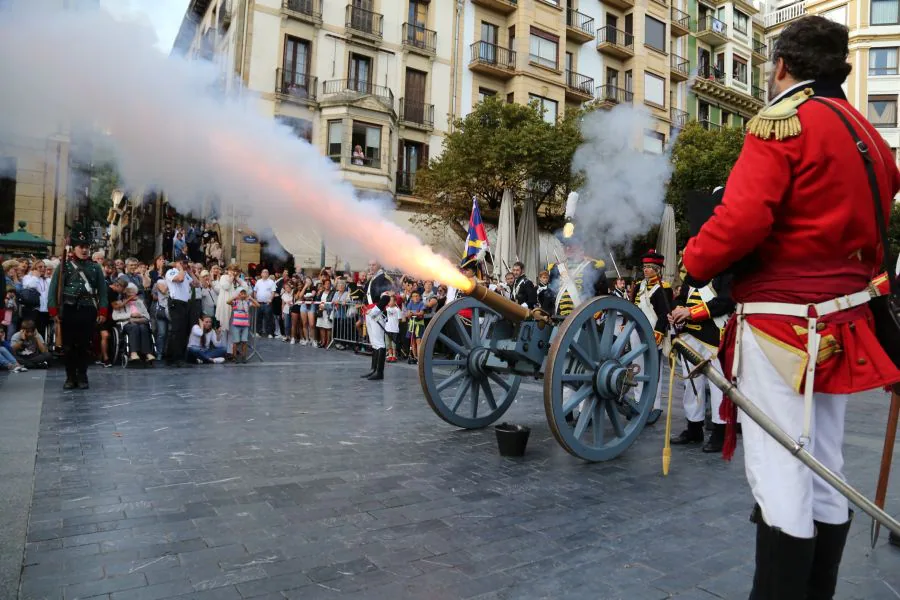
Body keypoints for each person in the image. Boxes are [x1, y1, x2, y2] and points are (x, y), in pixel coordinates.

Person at [681, 16, 900, 598]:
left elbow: (743, 219)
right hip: (844, 321)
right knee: (826, 469)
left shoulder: (782, 122)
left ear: (781, 66)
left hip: (782, 324)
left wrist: (695, 260)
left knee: (780, 473)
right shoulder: (869, 134)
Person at [668, 265, 735, 453]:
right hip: (690, 336)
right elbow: (680, 298)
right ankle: (694, 428)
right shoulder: (693, 273)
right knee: (692, 385)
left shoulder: (725, 271)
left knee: (718, 387)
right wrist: (677, 310)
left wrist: (691, 313)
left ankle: (720, 433)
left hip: (715, 337)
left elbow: (726, 302)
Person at [47, 225, 108, 388]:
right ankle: (70, 376)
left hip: (88, 309)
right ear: (74, 248)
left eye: (87, 247)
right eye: (81, 247)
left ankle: (82, 375)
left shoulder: (95, 268)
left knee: (84, 344)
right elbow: (53, 289)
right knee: (68, 345)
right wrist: (53, 310)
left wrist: (102, 310)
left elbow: (102, 291)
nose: (85, 250)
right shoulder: (64, 266)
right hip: (68, 309)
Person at [632, 249, 672, 425]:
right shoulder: (639, 286)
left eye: (649, 267)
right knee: (637, 367)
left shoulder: (664, 288)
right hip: (636, 331)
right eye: (645, 267)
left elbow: (664, 314)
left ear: (657, 269)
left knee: (653, 370)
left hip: (653, 332)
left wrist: (658, 333)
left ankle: (653, 406)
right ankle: (638, 401)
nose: (646, 270)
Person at [360, 260, 393, 377]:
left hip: (377, 313)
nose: (370, 267)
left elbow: (385, 298)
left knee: (379, 342)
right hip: (369, 312)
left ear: (379, 265)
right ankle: (373, 369)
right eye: (369, 265)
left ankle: (379, 372)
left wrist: (374, 311)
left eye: (373, 265)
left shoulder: (384, 279)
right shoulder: (371, 279)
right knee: (374, 342)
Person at [112, 282, 155, 365]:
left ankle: (148, 353)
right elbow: (115, 316)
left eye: (133, 292)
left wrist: (140, 317)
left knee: (143, 328)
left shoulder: (140, 302)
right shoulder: (119, 302)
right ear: (125, 292)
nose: (132, 294)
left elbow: (147, 316)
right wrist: (130, 315)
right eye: (129, 291)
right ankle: (133, 353)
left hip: (140, 321)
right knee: (134, 327)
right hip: (127, 323)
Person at [164, 258, 194, 368]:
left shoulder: (185, 274)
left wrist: (190, 272)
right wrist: (180, 268)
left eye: (185, 263)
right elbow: (179, 279)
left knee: (183, 331)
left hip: (185, 304)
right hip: (175, 303)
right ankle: (174, 357)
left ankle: (177, 356)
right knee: (176, 331)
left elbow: (196, 284)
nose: (184, 265)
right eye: (182, 263)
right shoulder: (171, 272)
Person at [230, 287, 257, 363]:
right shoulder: (235, 302)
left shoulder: (247, 303)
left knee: (244, 341)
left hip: (245, 325)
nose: (243, 295)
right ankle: (234, 357)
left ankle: (243, 356)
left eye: (244, 293)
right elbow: (228, 302)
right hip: (236, 324)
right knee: (236, 341)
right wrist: (235, 297)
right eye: (241, 293)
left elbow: (257, 305)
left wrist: (251, 299)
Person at [253, 268, 276, 337]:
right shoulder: (258, 281)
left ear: (268, 274)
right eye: (264, 272)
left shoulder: (271, 282)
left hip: (267, 303)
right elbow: (255, 291)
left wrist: (270, 300)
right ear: (261, 274)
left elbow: (273, 292)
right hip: (259, 303)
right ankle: (258, 332)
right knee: (258, 318)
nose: (265, 273)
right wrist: (255, 299)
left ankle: (270, 333)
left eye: (266, 272)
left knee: (269, 319)